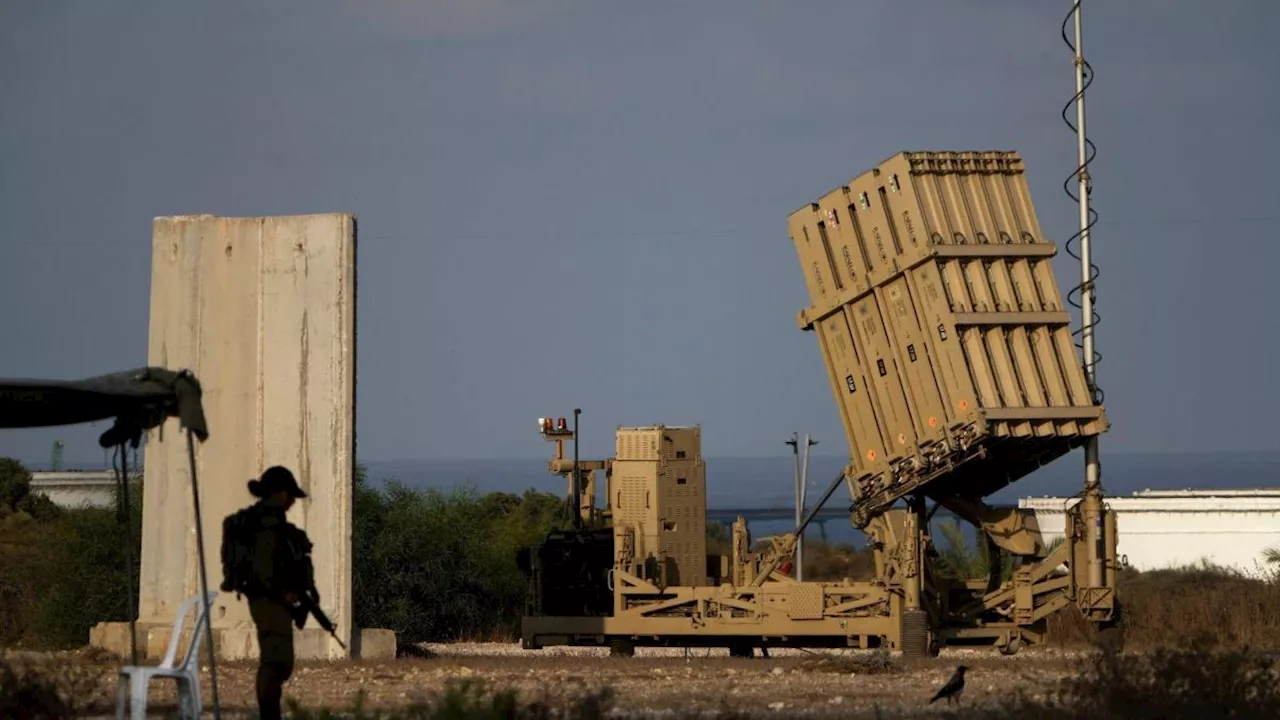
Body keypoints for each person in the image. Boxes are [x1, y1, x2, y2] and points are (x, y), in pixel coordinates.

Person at [241, 466, 310, 720]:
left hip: (272, 598)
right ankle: (268, 715)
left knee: (280, 660)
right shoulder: (266, 525)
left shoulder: (274, 524)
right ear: (279, 494)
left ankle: (270, 713)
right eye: (290, 495)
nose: (292, 501)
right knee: (274, 661)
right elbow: (263, 570)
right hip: (267, 599)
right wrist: (282, 594)